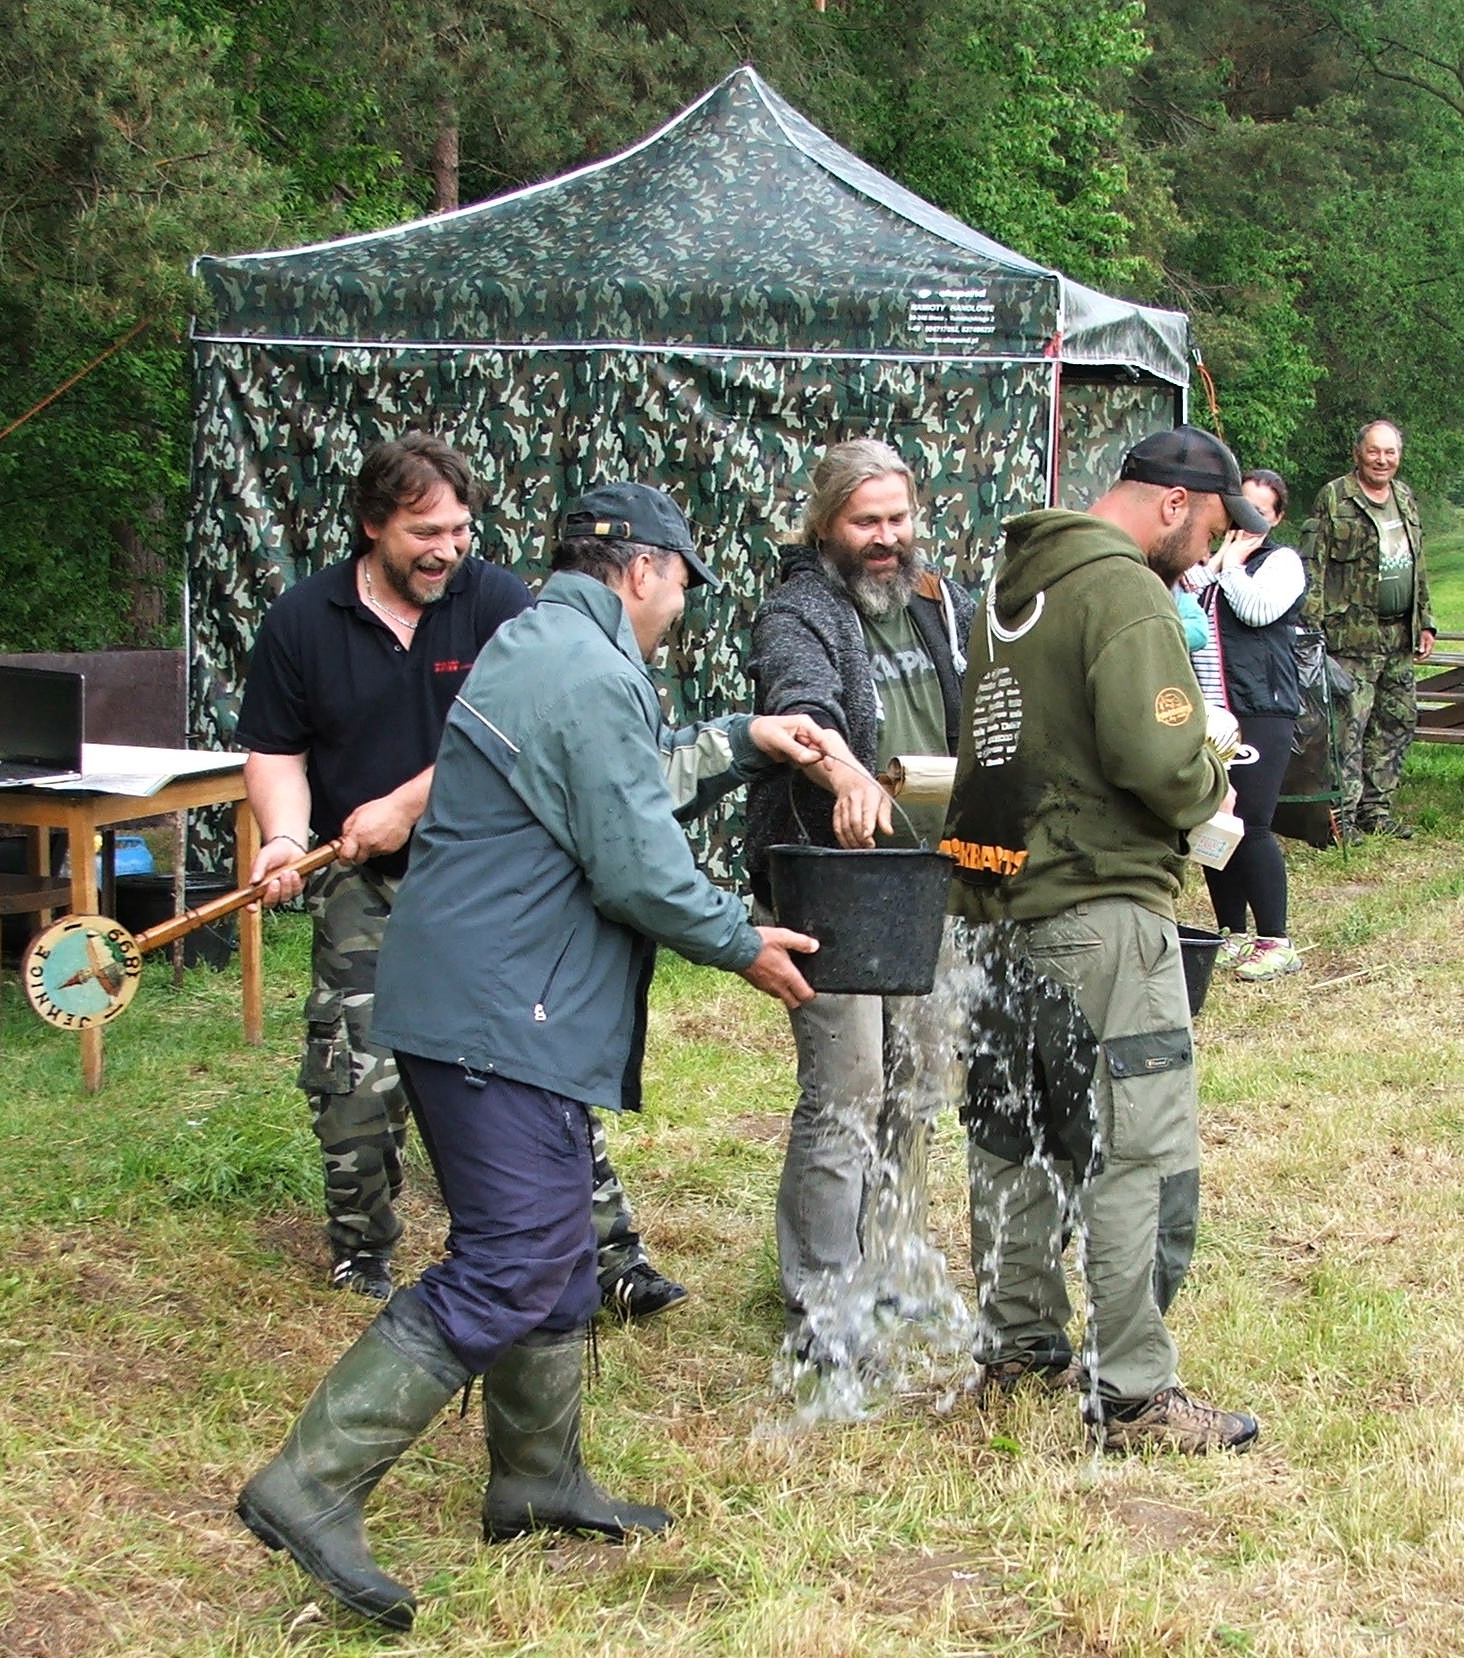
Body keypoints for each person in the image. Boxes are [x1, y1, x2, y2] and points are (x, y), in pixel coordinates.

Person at [236, 481, 854, 1631]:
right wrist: (742, 939)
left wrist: (740, 737)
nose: (680, 605)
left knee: (561, 1247)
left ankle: (535, 1477)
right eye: (681, 582)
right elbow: (635, 863)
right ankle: (310, 1482)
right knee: (514, 1255)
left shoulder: (548, 644)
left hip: (494, 997)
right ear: (642, 568)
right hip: (494, 1010)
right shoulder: (584, 665)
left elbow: (616, 785)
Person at [236, 434, 686, 1319]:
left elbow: (528, 734)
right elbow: (277, 750)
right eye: (424, 532)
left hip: (492, 888)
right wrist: (286, 837)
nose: (446, 549)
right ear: (373, 526)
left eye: (459, 530)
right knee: (354, 1078)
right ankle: (362, 1249)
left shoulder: (503, 607)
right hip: (369, 886)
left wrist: (407, 803)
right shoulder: (301, 620)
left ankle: (610, 1259)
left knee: (532, 1073)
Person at [942, 425, 1264, 1453]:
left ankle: (1019, 1346)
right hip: (1098, 906)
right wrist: (1211, 785)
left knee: (1013, 1136)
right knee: (1137, 1148)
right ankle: (1134, 1394)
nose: (1207, 556)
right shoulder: (1123, 589)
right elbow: (1155, 756)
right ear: (1173, 502)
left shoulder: (1012, 585)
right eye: (1210, 531)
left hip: (994, 907)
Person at [744, 437, 976, 1369]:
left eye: (898, 518)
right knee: (848, 1087)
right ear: (825, 525)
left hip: (933, 876)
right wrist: (844, 774)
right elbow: (802, 709)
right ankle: (824, 1303)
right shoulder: (796, 612)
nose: (885, 538)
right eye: (865, 521)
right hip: (836, 880)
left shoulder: (938, 603)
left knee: (918, 1080)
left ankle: (889, 1265)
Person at [1183, 469, 1307, 980]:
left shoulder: (1282, 563)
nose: (1246, 521)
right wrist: (1217, 562)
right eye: (1241, 508)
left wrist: (1230, 566)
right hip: (1210, 715)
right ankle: (1231, 933)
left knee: (1251, 824)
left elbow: (1257, 610)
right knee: (1213, 821)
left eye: (1260, 511)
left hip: (1260, 710)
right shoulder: (1208, 561)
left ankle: (1276, 940)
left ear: (1276, 519)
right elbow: (1183, 601)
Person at [1300, 420, 1437, 839]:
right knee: (1348, 730)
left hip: (1398, 636)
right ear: (1358, 453)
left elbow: (1417, 563)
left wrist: (1426, 620)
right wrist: (1311, 627)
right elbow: (1313, 565)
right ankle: (1340, 817)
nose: (1382, 460)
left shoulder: (1404, 497)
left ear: (1399, 456)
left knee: (1396, 721)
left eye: (1390, 452)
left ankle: (1376, 811)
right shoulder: (1334, 497)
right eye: (1374, 451)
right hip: (1350, 638)